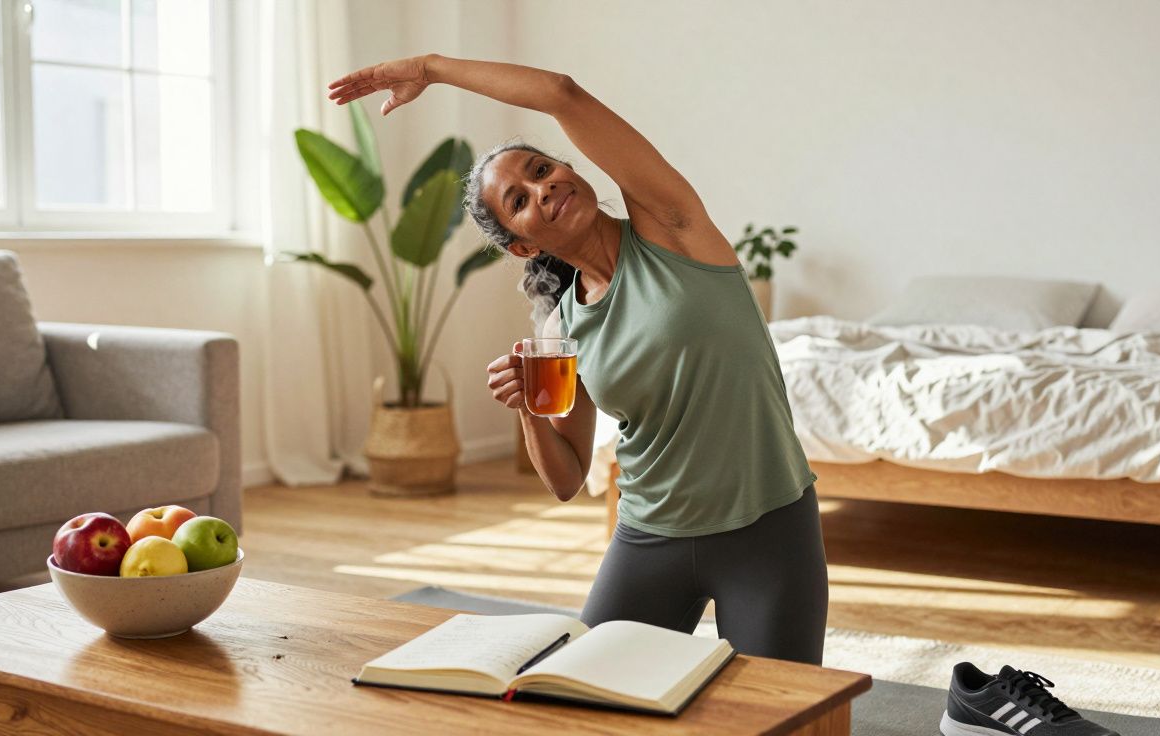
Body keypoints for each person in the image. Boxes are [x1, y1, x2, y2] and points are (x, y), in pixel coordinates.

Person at [328, 54, 828, 664]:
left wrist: (431, 69)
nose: (545, 188)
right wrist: (526, 411)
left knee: (785, 715)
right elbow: (566, 479)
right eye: (521, 199)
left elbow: (561, 93)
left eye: (543, 170)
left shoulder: (673, 228)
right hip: (650, 535)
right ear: (523, 243)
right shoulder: (558, 327)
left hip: (767, 528)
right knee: (581, 700)